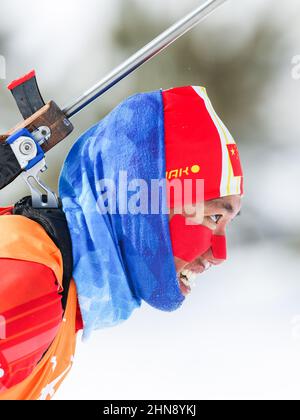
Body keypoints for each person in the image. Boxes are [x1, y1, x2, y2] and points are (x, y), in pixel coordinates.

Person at [0, 85, 243, 400]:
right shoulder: (33, 279)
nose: (220, 254)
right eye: (212, 217)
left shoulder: (63, 290)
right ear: (143, 204)